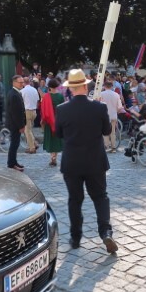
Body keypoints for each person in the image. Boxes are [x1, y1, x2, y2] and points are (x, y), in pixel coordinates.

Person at [55, 69, 117, 254]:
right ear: (85, 86)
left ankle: (75, 238)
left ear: (71, 88)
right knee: (100, 197)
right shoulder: (99, 107)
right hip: (95, 161)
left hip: (72, 162)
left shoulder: (62, 109)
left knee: (75, 200)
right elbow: (107, 131)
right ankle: (105, 232)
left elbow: (59, 134)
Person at [40, 79, 64, 167]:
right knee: (56, 139)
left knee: (50, 138)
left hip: (49, 120)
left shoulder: (46, 96)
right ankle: (55, 157)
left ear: (49, 86)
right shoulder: (60, 96)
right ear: (57, 86)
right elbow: (63, 109)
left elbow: (43, 109)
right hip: (58, 120)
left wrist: (42, 120)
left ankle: (52, 157)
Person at [6, 75, 27, 172]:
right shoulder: (14, 94)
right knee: (14, 144)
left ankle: (14, 162)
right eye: (20, 82)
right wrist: (21, 126)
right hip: (15, 124)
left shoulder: (15, 93)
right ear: (14, 83)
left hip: (14, 123)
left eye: (23, 82)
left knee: (15, 144)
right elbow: (16, 113)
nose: (22, 84)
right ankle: (11, 164)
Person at [100, 81, 121, 152]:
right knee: (113, 132)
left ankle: (107, 146)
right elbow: (120, 107)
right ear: (112, 86)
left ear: (104, 86)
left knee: (105, 132)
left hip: (104, 115)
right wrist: (116, 111)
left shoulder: (101, 94)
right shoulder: (116, 94)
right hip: (113, 115)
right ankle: (113, 147)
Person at [21, 76, 40, 153]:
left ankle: (32, 147)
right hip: (34, 111)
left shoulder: (22, 91)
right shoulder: (34, 90)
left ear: (23, 83)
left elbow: (21, 102)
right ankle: (34, 143)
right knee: (29, 129)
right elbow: (38, 101)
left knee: (27, 130)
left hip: (27, 111)